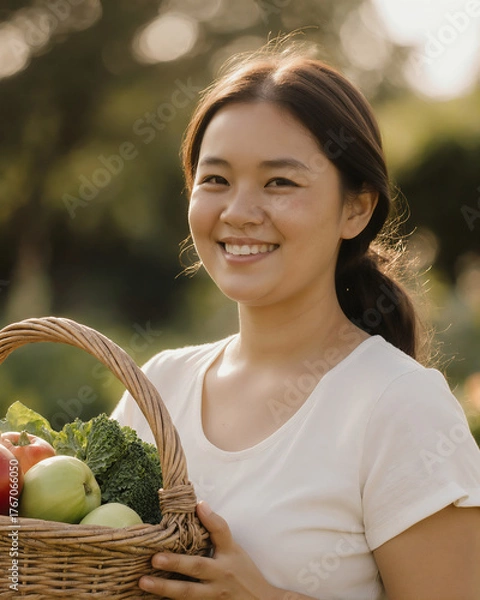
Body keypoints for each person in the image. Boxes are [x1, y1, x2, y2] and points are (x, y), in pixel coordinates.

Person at [111, 41, 480, 599]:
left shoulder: (400, 406)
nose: (237, 212)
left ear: (355, 208)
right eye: (215, 180)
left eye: (279, 182)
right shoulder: (156, 387)